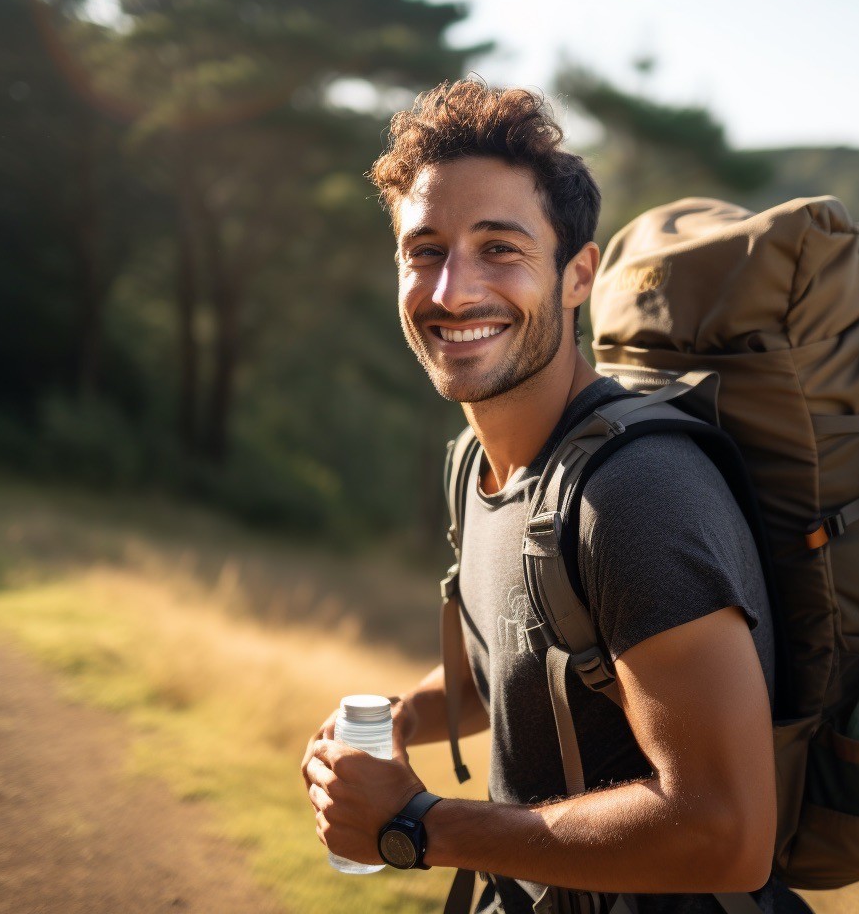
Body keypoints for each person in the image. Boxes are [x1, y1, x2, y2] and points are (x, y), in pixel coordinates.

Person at [302, 80, 787, 913]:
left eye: (499, 248)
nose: (451, 291)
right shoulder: (479, 464)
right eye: (424, 251)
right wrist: (402, 717)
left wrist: (420, 825)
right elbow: (523, 665)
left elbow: (729, 833)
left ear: (576, 276)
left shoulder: (636, 495)